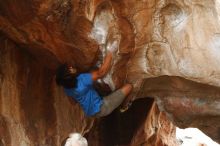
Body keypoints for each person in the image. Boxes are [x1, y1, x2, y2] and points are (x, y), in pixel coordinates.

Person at [56, 41, 132, 117]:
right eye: (69, 69)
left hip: (90, 112)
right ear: (70, 76)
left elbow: (73, 102)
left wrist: (83, 96)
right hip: (102, 107)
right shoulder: (82, 80)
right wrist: (110, 52)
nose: (71, 67)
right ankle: (123, 107)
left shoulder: (67, 88)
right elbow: (101, 73)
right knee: (129, 87)